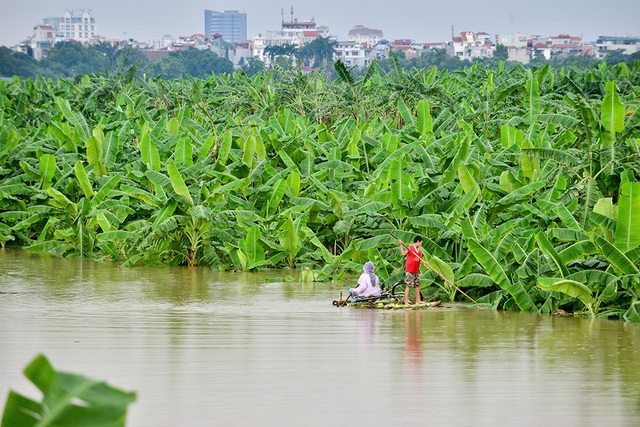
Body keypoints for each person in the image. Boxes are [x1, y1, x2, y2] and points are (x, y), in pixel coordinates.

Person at [398, 236, 426, 305]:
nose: (421, 245)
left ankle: (418, 300)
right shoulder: (410, 247)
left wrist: (425, 262)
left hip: (416, 270)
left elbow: (420, 261)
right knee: (409, 285)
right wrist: (401, 245)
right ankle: (406, 301)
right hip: (410, 270)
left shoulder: (419, 251)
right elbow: (403, 253)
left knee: (417, 285)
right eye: (421, 243)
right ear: (417, 241)